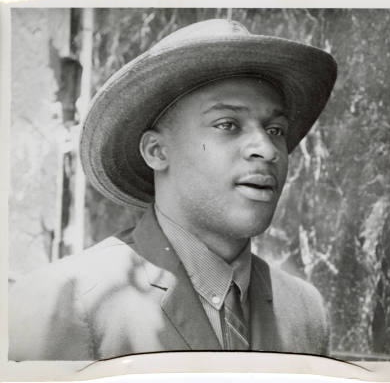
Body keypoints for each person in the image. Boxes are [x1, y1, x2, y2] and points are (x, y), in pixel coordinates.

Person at [9, 18, 337, 360]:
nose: (266, 150)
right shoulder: (68, 301)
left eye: (275, 130)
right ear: (157, 151)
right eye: (228, 124)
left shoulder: (304, 311)